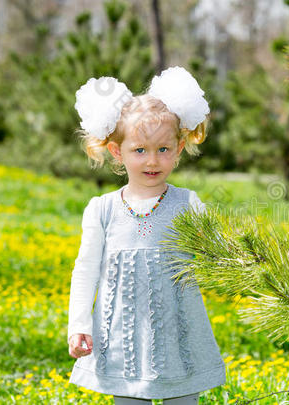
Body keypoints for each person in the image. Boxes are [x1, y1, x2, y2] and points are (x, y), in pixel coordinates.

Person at [67, 66, 226, 404]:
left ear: (179, 148)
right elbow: (85, 270)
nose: (152, 160)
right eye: (139, 150)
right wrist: (78, 323)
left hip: (179, 336)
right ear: (116, 151)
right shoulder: (103, 209)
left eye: (163, 149)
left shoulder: (188, 203)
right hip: (122, 340)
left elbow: (217, 253)